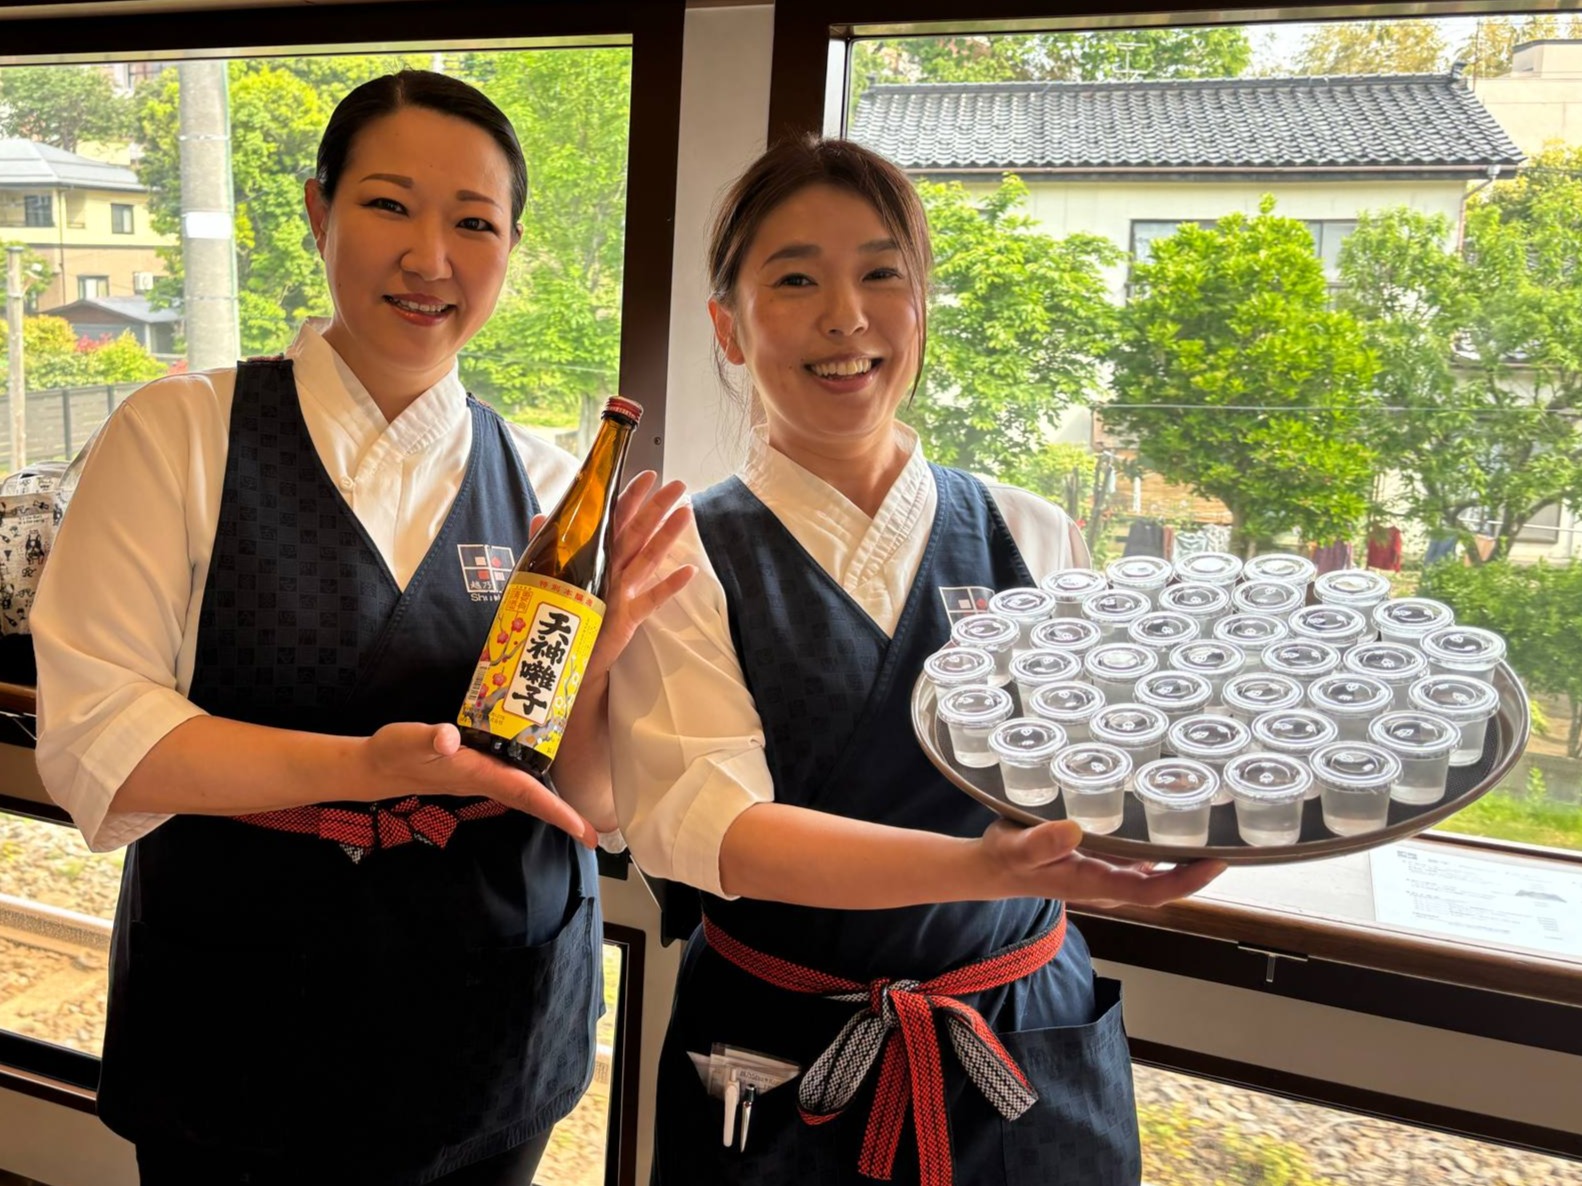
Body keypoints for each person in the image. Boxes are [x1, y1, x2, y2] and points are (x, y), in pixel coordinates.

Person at [32, 70, 692, 1186]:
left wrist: (609, 647)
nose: (430, 257)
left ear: (511, 247)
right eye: (390, 204)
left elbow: (588, 805)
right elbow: (99, 736)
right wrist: (365, 770)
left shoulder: (546, 483)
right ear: (318, 210)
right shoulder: (179, 434)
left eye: (474, 223)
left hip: (496, 1015)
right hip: (237, 1016)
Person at [609, 136, 1226, 1186]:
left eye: (881, 274)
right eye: (794, 279)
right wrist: (981, 866)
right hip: (782, 1054)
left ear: (922, 306)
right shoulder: (684, 554)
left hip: (1021, 1033)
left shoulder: (1032, 534)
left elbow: (1097, 765)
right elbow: (713, 829)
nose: (845, 316)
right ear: (727, 326)